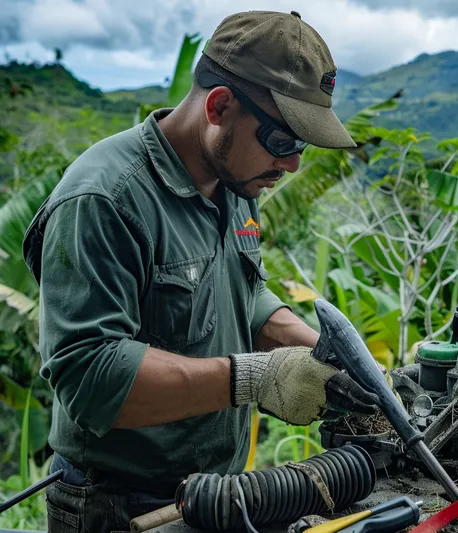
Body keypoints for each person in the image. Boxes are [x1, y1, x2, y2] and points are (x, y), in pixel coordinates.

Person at [22, 10, 380, 532]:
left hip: (215, 495)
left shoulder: (235, 181)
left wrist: (325, 360)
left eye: (300, 146)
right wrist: (256, 378)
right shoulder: (104, 198)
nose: (293, 165)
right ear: (219, 106)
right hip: (117, 506)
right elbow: (91, 379)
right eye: (283, 141)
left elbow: (243, 292)